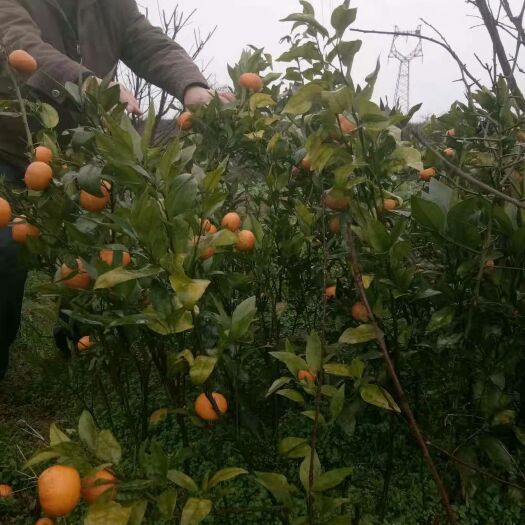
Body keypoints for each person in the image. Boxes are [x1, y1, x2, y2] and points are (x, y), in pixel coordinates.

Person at [0, 0, 231, 378]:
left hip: (78, 155)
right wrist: (92, 84)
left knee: (96, 252)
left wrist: (192, 87)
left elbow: (148, 42)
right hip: (10, 143)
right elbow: (22, 45)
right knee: (6, 250)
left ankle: (80, 355)